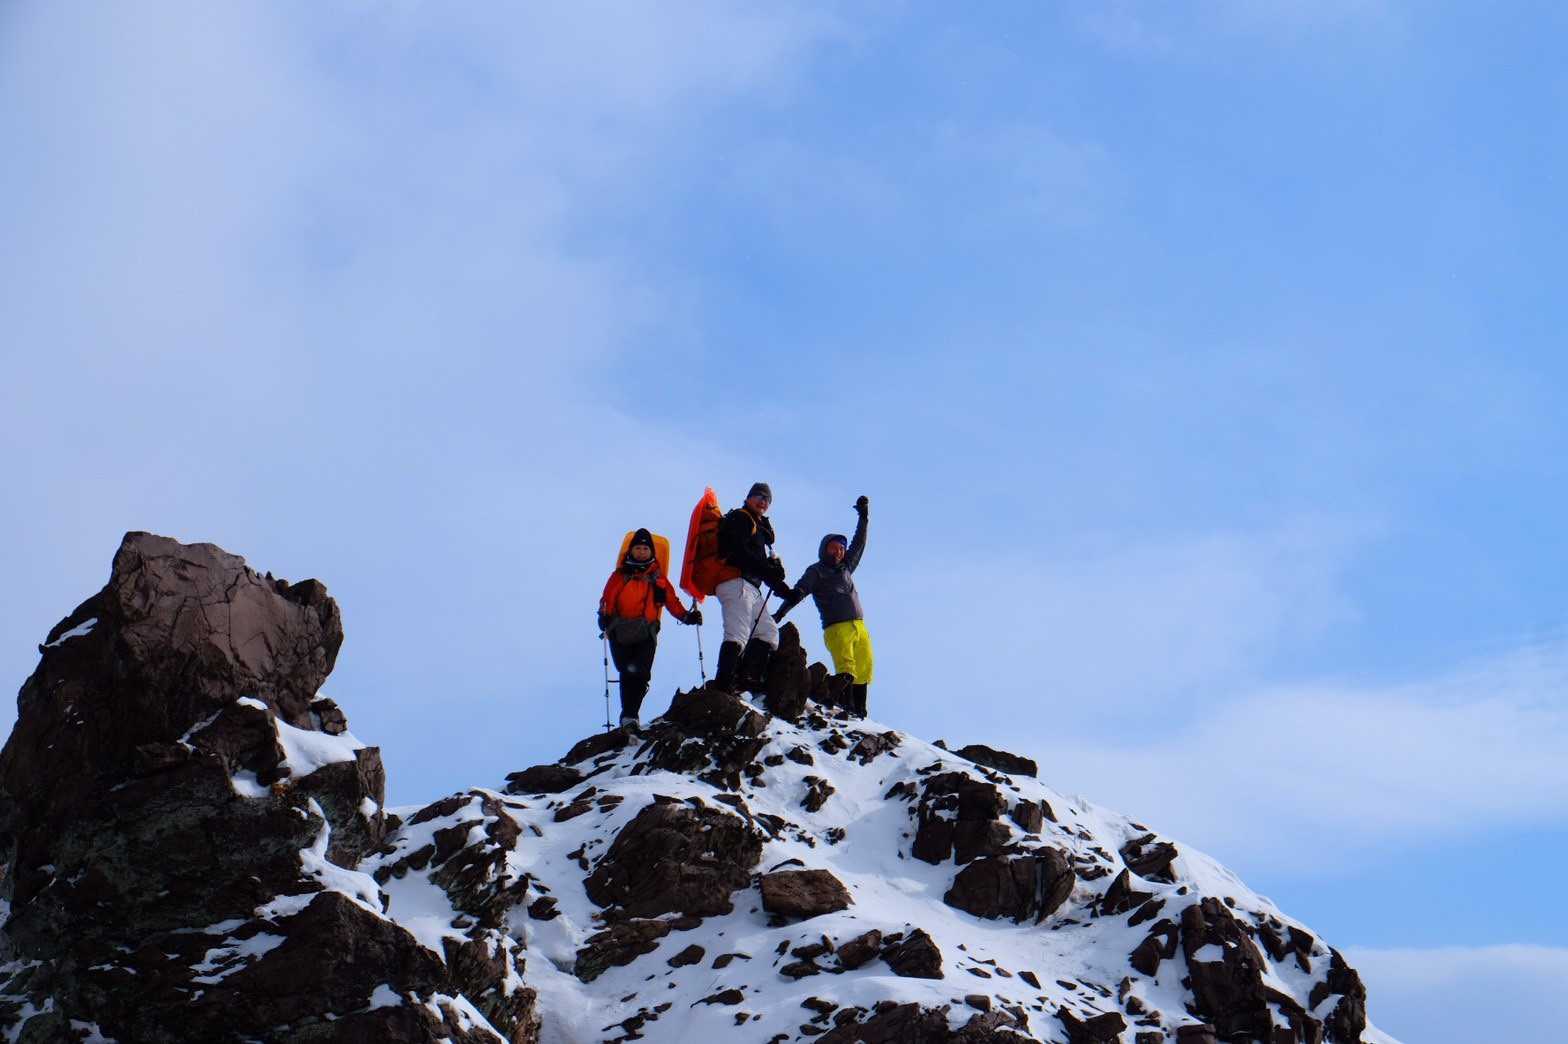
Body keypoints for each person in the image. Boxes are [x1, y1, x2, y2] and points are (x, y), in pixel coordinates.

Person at [773, 495, 872, 717]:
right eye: (833, 548)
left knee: (864, 667)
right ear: (824, 550)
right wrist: (781, 613)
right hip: (836, 627)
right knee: (847, 667)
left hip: (859, 626)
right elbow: (799, 592)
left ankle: (860, 711)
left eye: (841, 549)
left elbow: (859, 543)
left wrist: (863, 517)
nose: (838, 552)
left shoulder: (846, 567)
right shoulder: (816, 571)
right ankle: (839, 702)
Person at [598, 528, 701, 728]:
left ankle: (630, 716)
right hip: (619, 631)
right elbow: (608, 598)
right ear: (631, 550)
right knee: (628, 673)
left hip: (646, 632)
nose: (641, 552)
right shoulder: (619, 576)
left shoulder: (658, 578)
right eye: (638, 548)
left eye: (645, 548)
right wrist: (604, 617)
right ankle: (629, 716)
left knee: (640, 673)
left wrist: (686, 616)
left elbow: (671, 600)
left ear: (652, 552)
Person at [713, 482, 791, 691]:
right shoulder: (741, 518)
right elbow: (740, 553)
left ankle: (746, 680)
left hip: (750, 588)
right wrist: (771, 573)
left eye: (767, 500)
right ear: (748, 498)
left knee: (768, 632)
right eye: (759, 496)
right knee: (737, 634)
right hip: (735, 582)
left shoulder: (758, 529)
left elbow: (756, 564)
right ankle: (723, 684)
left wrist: (782, 587)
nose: (763, 502)